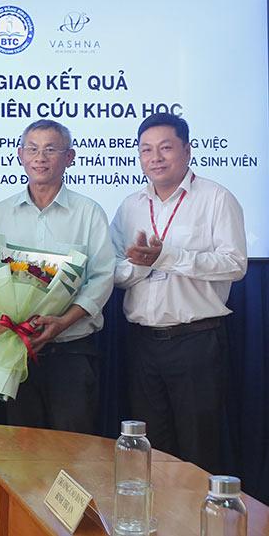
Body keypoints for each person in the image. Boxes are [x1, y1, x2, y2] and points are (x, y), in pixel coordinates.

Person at [111, 113, 246, 473]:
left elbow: (235, 264)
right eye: (146, 150)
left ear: (187, 150)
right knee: (151, 451)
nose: (155, 158)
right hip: (142, 345)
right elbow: (113, 271)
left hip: (196, 344)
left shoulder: (216, 198)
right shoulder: (130, 206)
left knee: (198, 448)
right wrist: (142, 265)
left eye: (166, 148)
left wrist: (167, 257)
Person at [0, 119, 115, 434]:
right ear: (20, 155)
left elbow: (102, 276)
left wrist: (64, 321)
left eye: (51, 149)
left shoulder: (89, 212)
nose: (40, 157)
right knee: (21, 450)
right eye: (33, 149)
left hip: (71, 349)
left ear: (69, 157)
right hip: (16, 351)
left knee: (73, 448)